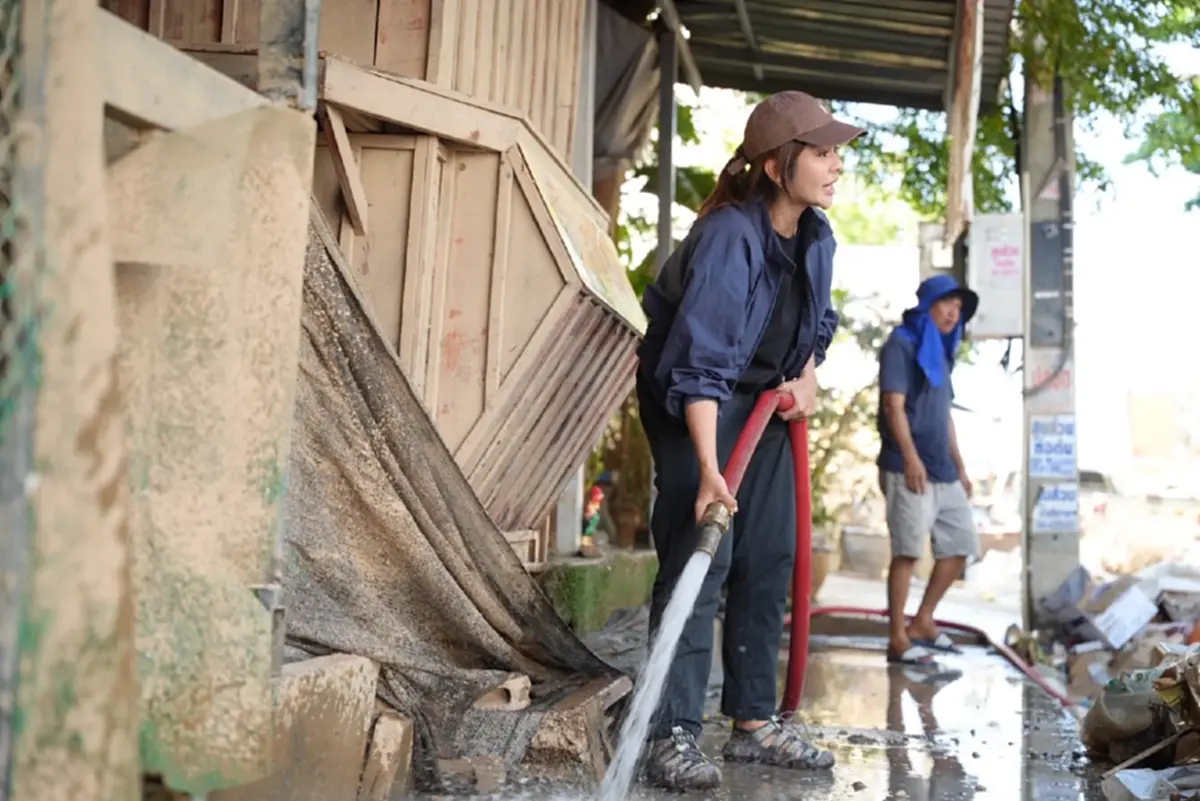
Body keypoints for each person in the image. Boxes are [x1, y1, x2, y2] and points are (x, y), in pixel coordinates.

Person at [635, 91, 863, 791]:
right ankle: (670, 732)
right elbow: (699, 362)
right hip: (695, 403)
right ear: (775, 164)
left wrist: (808, 377)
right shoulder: (730, 235)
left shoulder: (816, 236)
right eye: (820, 153)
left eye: (836, 153)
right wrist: (707, 469)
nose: (835, 167)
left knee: (769, 555)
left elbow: (810, 330)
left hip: (764, 406)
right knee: (704, 554)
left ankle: (754, 720)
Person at [876, 274, 980, 667]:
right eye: (947, 302)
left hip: (942, 469)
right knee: (906, 552)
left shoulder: (943, 350)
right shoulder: (902, 344)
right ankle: (897, 639)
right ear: (928, 305)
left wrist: (961, 466)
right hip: (908, 468)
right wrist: (911, 457)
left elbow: (945, 415)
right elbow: (893, 406)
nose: (954, 311)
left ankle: (922, 621)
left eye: (959, 306)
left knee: (960, 545)